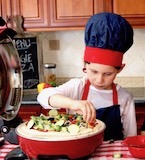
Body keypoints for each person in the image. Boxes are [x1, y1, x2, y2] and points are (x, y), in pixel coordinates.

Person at [37, 12, 137, 141]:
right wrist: (73, 104)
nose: (99, 79)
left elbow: (131, 137)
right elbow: (43, 96)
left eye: (108, 74)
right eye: (94, 71)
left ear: (120, 69)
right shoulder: (77, 87)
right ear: (84, 63)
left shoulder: (125, 98)